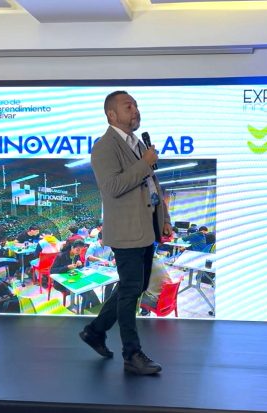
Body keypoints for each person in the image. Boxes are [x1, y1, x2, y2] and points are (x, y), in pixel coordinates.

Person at [79, 90, 172, 375]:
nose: (135, 110)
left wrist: (164, 218)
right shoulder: (104, 147)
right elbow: (113, 187)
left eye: (136, 105)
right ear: (112, 114)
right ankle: (132, 355)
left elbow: (152, 186)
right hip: (126, 232)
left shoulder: (136, 143)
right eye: (128, 106)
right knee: (131, 290)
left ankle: (95, 331)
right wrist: (145, 163)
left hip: (146, 229)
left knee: (134, 286)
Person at [50, 239, 101, 310]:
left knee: (89, 290)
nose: (79, 252)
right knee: (86, 294)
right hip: (62, 283)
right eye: (77, 250)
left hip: (74, 279)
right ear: (72, 247)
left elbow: (78, 267)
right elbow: (52, 271)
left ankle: (91, 309)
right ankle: (90, 310)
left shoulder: (76, 255)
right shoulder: (61, 256)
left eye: (81, 250)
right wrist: (67, 267)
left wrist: (80, 265)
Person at [85, 231, 116, 301]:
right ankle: (96, 303)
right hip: (95, 269)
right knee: (89, 289)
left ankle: (107, 300)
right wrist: (99, 259)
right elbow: (88, 257)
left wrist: (114, 260)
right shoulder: (93, 245)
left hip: (106, 268)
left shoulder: (109, 245)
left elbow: (113, 255)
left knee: (112, 282)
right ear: (100, 239)